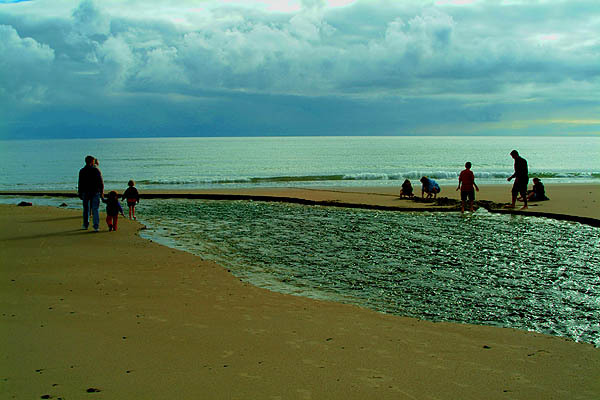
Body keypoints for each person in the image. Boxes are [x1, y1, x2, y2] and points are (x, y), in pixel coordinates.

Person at [78, 155, 104, 231]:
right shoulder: (96, 170)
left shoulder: (82, 170)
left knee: (86, 209)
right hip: (95, 191)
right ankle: (96, 226)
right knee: (95, 209)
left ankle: (85, 225)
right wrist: (102, 192)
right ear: (92, 162)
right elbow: (101, 182)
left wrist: (79, 192)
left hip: (85, 192)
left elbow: (80, 183)